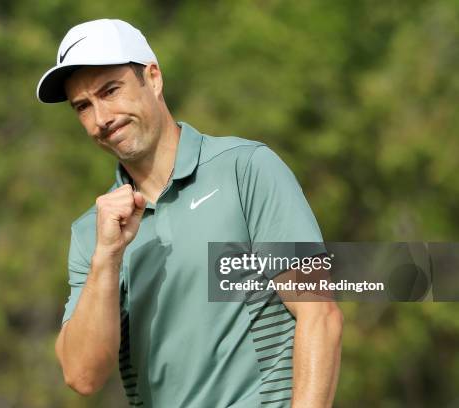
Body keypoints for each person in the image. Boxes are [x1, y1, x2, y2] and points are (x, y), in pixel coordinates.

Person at [37, 18, 343, 407]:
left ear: (153, 78)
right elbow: (82, 376)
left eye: (110, 91)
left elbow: (321, 317)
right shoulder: (92, 236)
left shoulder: (244, 168)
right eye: (83, 106)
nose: (101, 118)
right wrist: (106, 258)